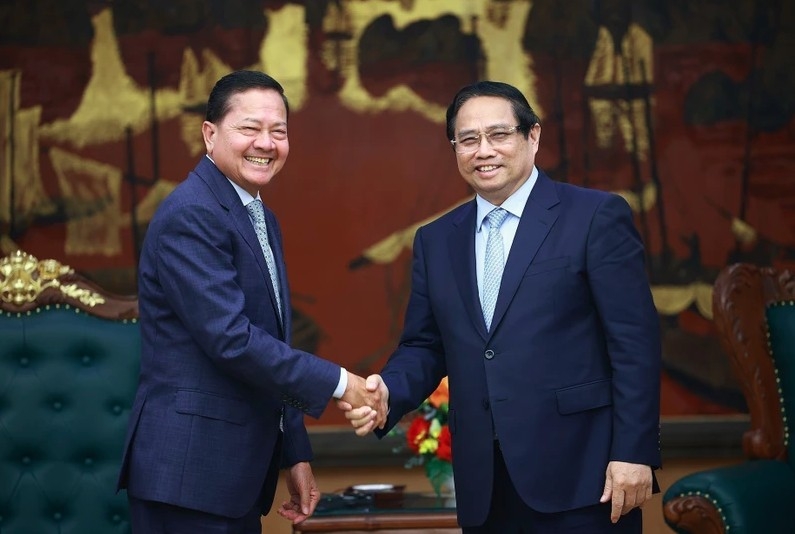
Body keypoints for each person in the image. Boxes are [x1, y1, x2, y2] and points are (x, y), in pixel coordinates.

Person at [342, 80, 661, 533]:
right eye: (468, 140)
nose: (483, 150)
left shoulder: (594, 217)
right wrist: (387, 392)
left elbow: (635, 344)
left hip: (586, 477)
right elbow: (425, 345)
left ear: (533, 137)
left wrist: (635, 452)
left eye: (499, 135)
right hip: (486, 486)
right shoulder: (436, 240)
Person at [117, 70, 386, 534]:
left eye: (278, 131)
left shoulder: (257, 214)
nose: (266, 142)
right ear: (210, 133)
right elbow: (233, 340)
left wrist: (295, 453)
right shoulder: (193, 214)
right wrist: (344, 384)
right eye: (249, 128)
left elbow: (269, 339)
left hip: (232, 474)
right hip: (189, 475)